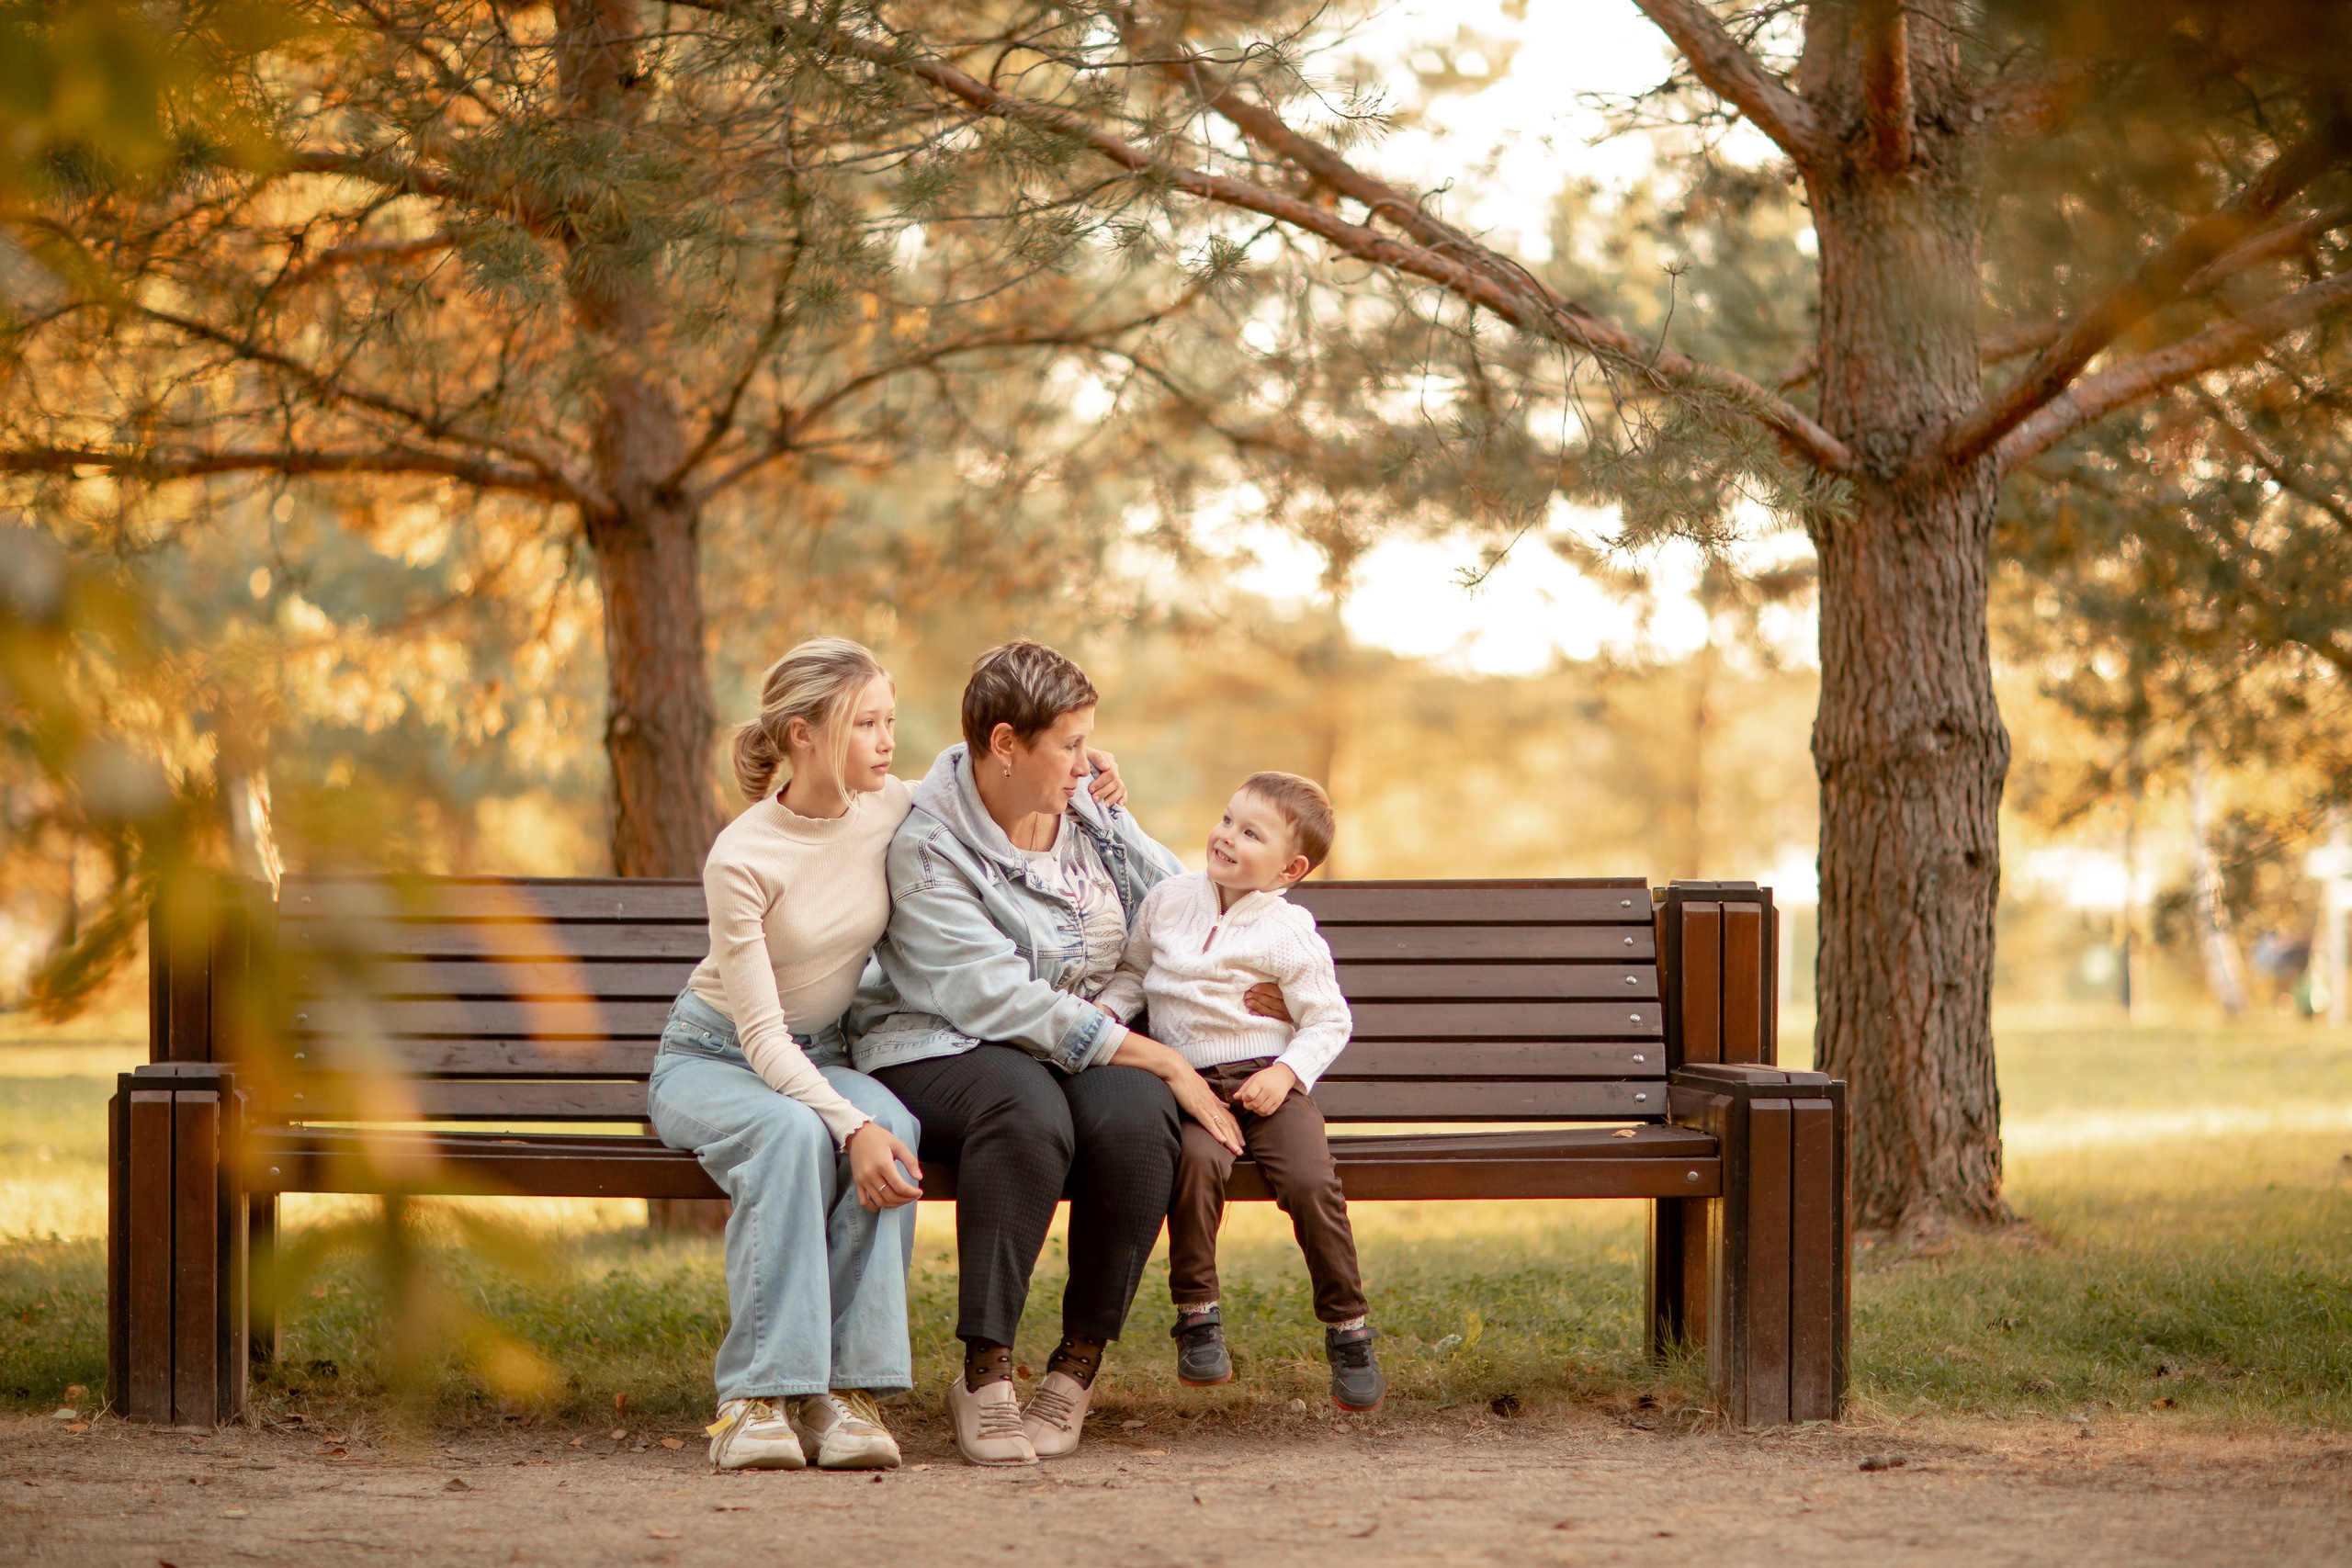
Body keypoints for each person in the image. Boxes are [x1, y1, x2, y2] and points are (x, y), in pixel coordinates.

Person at [851, 640, 1251, 1466]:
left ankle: (1075, 1368)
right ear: (1004, 744)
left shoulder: (1085, 810)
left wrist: (1116, 813)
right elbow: (989, 996)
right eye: (1067, 743)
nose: (1084, 759)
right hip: (943, 1041)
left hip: (1077, 1037)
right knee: (1025, 1109)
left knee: (1141, 1120)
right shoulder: (929, 844)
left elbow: (1177, 906)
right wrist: (1165, 1058)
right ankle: (986, 1375)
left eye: (1086, 740)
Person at [645, 637, 930, 1472]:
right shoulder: (742, 855)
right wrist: (848, 1127)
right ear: (803, 734)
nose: (885, 741)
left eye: (889, 721)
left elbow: (981, 771)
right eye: (864, 723)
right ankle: (756, 1398)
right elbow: (761, 1037)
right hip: (715, 1058)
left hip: (821, 1052)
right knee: (794, 1134)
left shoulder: (888, 804)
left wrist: (1091, 765)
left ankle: (846, 1393)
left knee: (895, 1122)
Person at [1094, 772, 1386, 1412]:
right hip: (1191, 1084)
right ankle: (1197, 1315)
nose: (1226, 836)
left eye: (1250, 833)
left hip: (1269, 1078)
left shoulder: (1288, 930)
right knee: (1195, 1164)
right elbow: (1135, 973)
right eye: (1227, 819)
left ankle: (1348, 1327)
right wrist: (1106, 1016)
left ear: (1289, 868)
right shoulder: (1169, 900)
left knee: (1310, 1180)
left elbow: (1329, 1019)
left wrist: (1284, 1074)